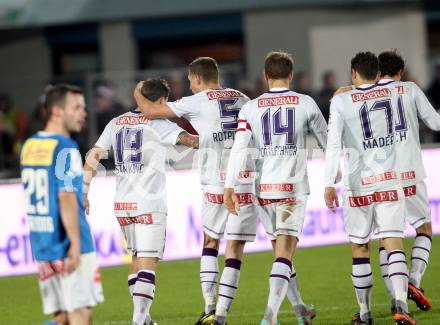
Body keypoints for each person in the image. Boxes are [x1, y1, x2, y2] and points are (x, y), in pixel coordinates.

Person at [133, 57, 255, 325]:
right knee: (235, 248)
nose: (189, 86)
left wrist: (137, 92)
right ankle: (220, 313)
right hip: (245, 179)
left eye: (189, 81)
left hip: (215, 181)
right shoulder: (243, 97)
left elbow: (151, 112)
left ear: (198, 78)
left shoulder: (196, 101)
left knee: (210, 243)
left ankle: (210, 308)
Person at [83, 78, 198, 325]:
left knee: (136, 259)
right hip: (149, 204)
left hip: (122, 205)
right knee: (148, 263)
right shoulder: (158, 123)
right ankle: (138, 322)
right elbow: (190, 141)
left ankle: (144, 320)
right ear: (161, 101)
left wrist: (84, 191)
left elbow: (94, 155)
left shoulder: (116, 122)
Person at [224, 51, 327, 325]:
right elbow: (328, 141)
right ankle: (270, 317)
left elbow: (239, 149)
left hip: (264, 189)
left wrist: (229, 187)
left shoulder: (251, 108)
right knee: (284, 253)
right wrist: (335, 174)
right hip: (292, 189)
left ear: (265, 76)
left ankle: (300, 309)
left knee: (281, 254)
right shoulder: (305, 102)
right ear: (290, 75)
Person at [324, 52, 417, 325]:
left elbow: (333, 144)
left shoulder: (340, 101)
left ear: (353, 73)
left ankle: (364, 314)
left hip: (357, 185)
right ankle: (401, 305)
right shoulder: (394, 95)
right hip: (389, 178)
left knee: (360, 247)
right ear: (379, 74)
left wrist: (329, 182)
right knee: (393, 243)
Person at [20, 84, 104, 325]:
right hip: (68, 244)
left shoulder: (31, 145)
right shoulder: (65, 147)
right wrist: (75, 245)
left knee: (62, 317)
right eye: (76, 108)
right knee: (80, 315)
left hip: (43, 245)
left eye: (84, 108)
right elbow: (66, 197)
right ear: (56, 111)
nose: (83, 113)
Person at [375, 50, 440, 313]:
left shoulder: (365, 94)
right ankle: (414, 279)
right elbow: (435, 123)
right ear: (400, 71)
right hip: (411, 173)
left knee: (386, 238)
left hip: (381, 176)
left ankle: (396, 297)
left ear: (378, 72)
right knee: (423, 229)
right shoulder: (410, 89)